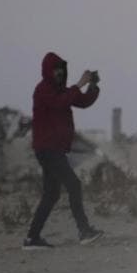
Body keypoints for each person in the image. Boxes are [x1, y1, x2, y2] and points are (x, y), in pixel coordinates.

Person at [23, 52, 104, 249]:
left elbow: (82, 102)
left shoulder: (61, 91)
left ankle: (32, 238)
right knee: (74, 185)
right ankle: (84, 231)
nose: (59, 72)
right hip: (48, 149)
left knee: (52, 194)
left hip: (53, 149)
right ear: (48, 71)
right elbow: (62, 102)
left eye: (61, 69)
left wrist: (92, 86)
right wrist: (79, 84)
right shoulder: (43, 90)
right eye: (55, 69)